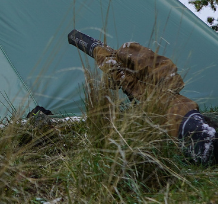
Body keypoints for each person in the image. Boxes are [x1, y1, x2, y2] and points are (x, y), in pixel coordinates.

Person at [68, 30, 216, 164]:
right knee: (139, 79)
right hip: (185, 125)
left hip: (190, 129)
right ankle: (100, 52)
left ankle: (100, 52)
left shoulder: (171, 105)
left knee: (132, 70)